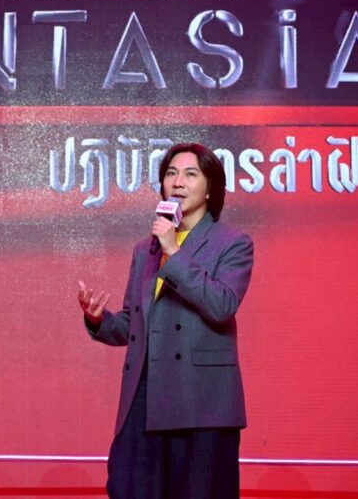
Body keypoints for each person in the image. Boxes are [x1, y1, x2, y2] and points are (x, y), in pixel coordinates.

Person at [78, 142, 254, 499]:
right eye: (171, 174)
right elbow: (134, 325)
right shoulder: (146, 249)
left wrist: (174, 251)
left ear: (210, 188)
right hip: (146, 397)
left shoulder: (232, 243)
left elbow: (221, 305)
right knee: (128, 488)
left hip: (201, 402)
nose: (178, 182)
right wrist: (98, 320)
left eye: (190, 174)